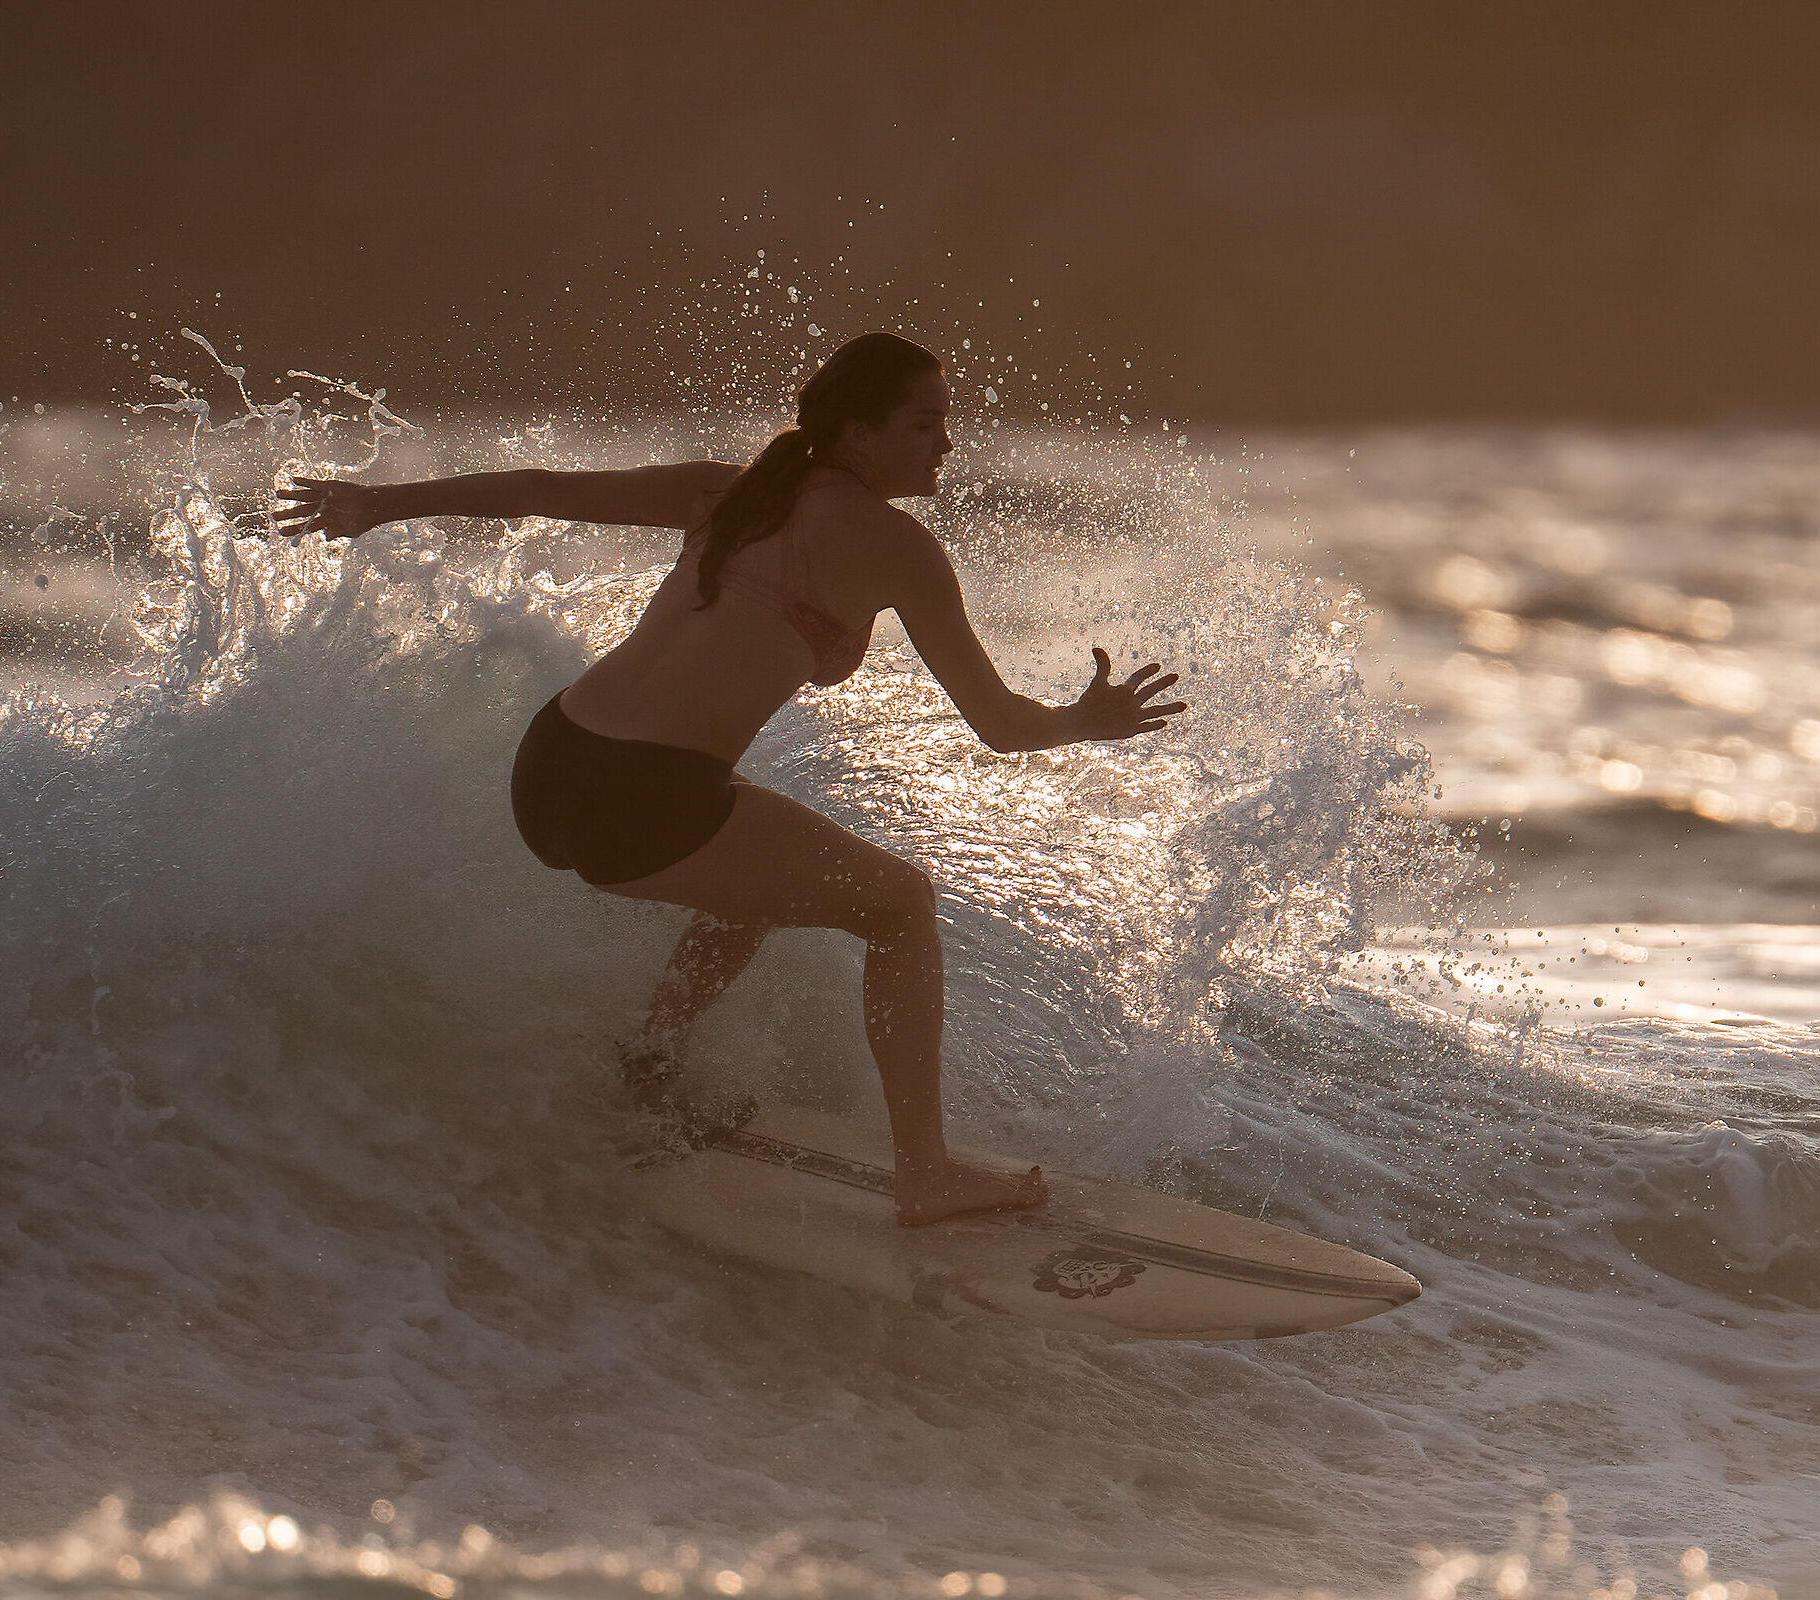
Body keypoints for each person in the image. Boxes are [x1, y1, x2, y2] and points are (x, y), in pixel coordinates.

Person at [273, 333, 1187, 1225]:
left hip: (552, 763)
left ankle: (649, 1060)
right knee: (902, 905)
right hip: (642, 798)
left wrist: (381, 502)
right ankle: (926, 1174)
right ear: (859, 433)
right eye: (924, 423)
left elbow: (540, 490)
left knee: (762, 871)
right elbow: (1002, 726)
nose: (945, 443)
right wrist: (1087, 720)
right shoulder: (896, 546)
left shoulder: (731, 490)